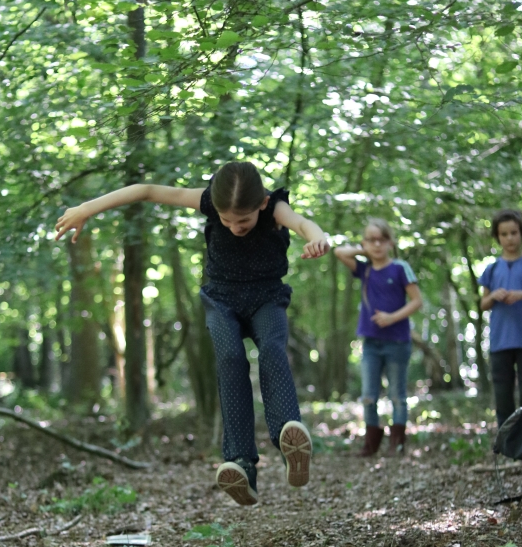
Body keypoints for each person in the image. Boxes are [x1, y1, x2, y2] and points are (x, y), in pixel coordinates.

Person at [55, 162, 329, 505]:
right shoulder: (208, 202)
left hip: (266, 297)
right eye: (225, 221)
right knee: (230, 361)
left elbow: (303, 224)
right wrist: (85, 209)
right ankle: (242, 463)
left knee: (272, 349)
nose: (234, 228)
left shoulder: (274, 206)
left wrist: (318, 238)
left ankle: (290, 438)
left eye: (242, 221)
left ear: (261, 203)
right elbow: (147, 190)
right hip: (222, 299)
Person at [335, 219, 422, 456]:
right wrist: (364, 250)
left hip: (397, 341)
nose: (376, 244)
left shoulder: (400, 268)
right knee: (368, 396)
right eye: (370, 240)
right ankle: (371, 443)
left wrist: (392, 317)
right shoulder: (365, 269)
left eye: (381, 240)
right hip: (371, 342)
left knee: (397, 395)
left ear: (390, 242)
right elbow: (339, 252)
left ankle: (398, 443)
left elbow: (417, 300)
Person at [479, 209, 522, 427]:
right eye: (504, 234)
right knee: (502, 393)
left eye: (514, 232)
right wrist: (494, 295)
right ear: (497, 237)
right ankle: (506, 440)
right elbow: (483, 305)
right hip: (499, 341)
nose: (509, 238)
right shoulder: (492, 269)